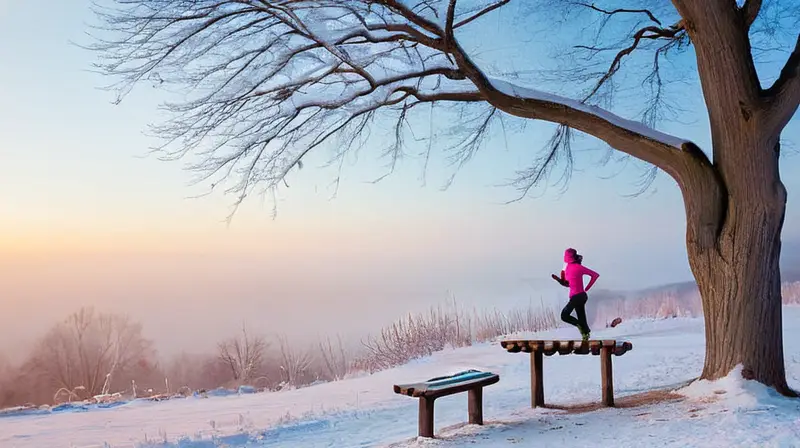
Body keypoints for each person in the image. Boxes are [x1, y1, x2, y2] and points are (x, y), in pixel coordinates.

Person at [551, 248, 599, 341]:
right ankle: (586, 335)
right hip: (580, 296)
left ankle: (581, 327)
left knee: (564, 315)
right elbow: (568, 284)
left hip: (577, 297)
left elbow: (595, 275)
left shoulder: (574, 267)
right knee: (581, 317)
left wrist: (587, 288)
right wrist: (557, 279)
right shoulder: (570, 268)